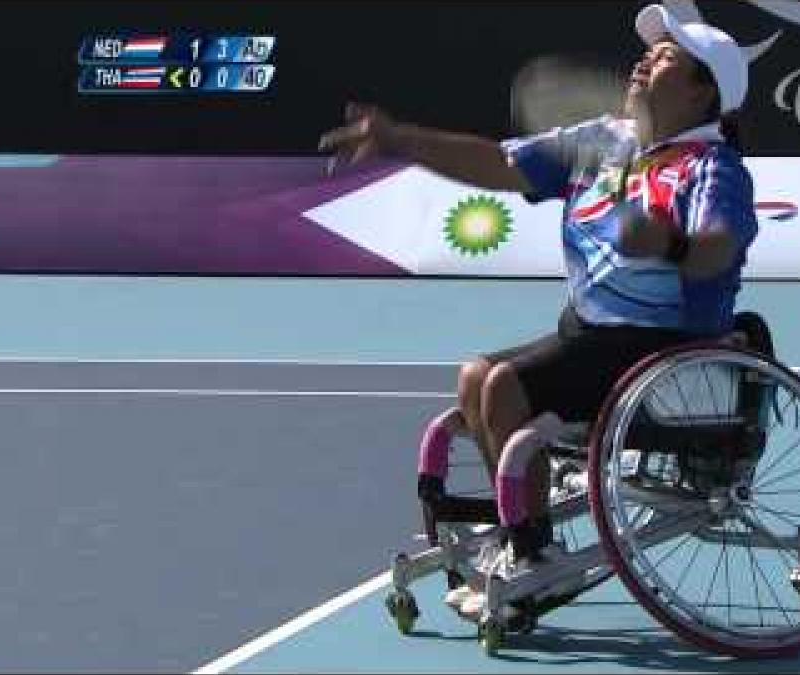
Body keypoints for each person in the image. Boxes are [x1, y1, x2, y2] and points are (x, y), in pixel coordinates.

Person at [320, 3, 758, 620]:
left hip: (661, 347)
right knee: (475, 374)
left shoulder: (712, 167)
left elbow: (719, 247)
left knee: (504, 387)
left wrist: (669, 243)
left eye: (665, 58)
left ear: (702, 92)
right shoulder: (605, 142)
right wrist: (400, 140)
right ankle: (521, 527)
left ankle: (534, 556)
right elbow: (500, 164)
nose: (644, 61)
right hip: (590, 337)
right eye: (649, 51)